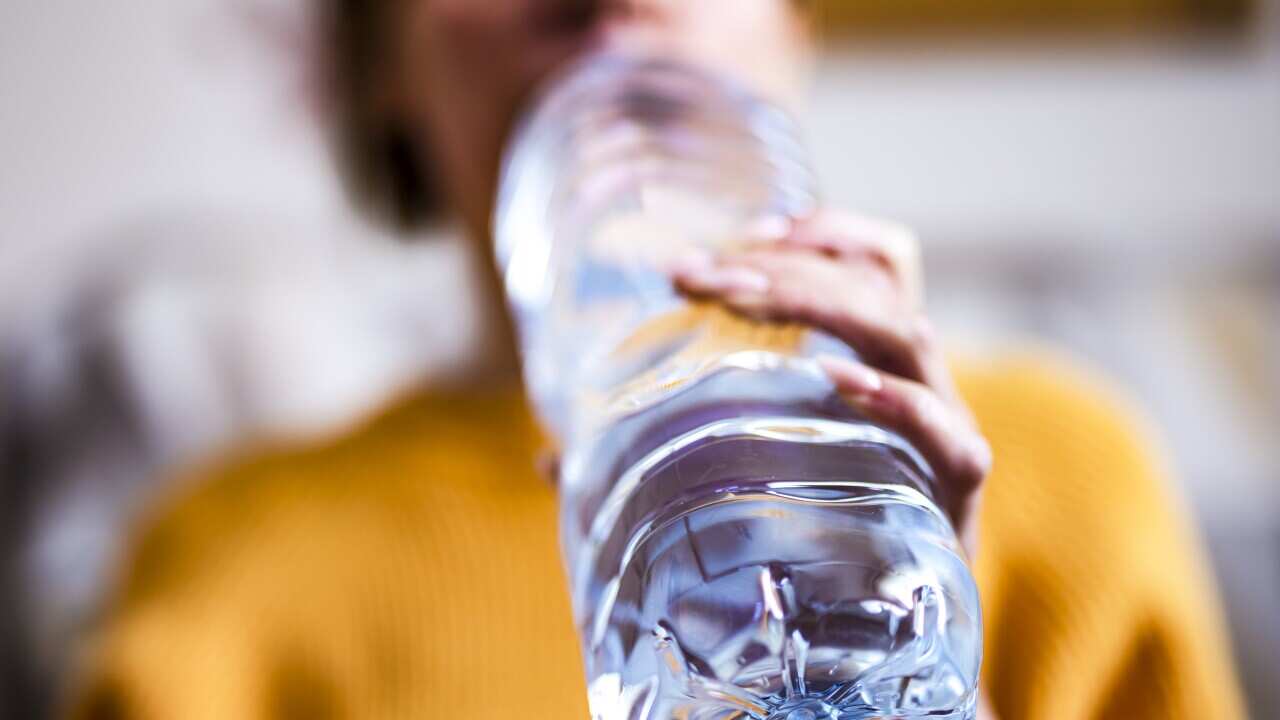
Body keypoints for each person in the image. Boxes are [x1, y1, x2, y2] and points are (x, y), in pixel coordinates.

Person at [68, 2, 1246, 719]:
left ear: (791, 21)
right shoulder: (229, 569)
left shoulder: (1066, 471)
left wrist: (932, 680)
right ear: (374, 60)